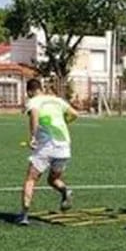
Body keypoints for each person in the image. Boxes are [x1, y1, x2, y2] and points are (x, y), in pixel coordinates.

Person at [16, 78, 78, 226]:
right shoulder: (57, 100)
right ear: (41, 88)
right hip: (64, 148)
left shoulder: (34, 101)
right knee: (53, 179)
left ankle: (24, 215)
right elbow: (75, 114)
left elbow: (35, 118)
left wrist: (32, 137)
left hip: (46, 147)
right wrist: (65, 122)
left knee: (31, 178)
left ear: (30, 91)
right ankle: (65, 191)